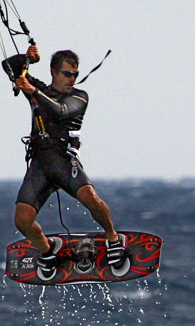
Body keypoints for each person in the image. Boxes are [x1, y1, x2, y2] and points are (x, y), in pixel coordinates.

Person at [9, 45, 127, 281]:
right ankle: (47, 249)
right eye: (67, 74)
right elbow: (10, 67)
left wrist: (32, 90)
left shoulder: (79, 97)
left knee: (91, 199)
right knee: (22, 220)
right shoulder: (39, 90)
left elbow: (60, 112)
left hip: (64, 162)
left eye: (75, 74)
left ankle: (113, 238)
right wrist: (27, 60)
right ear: (53, 72)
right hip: (40, 165)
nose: (72, 79)